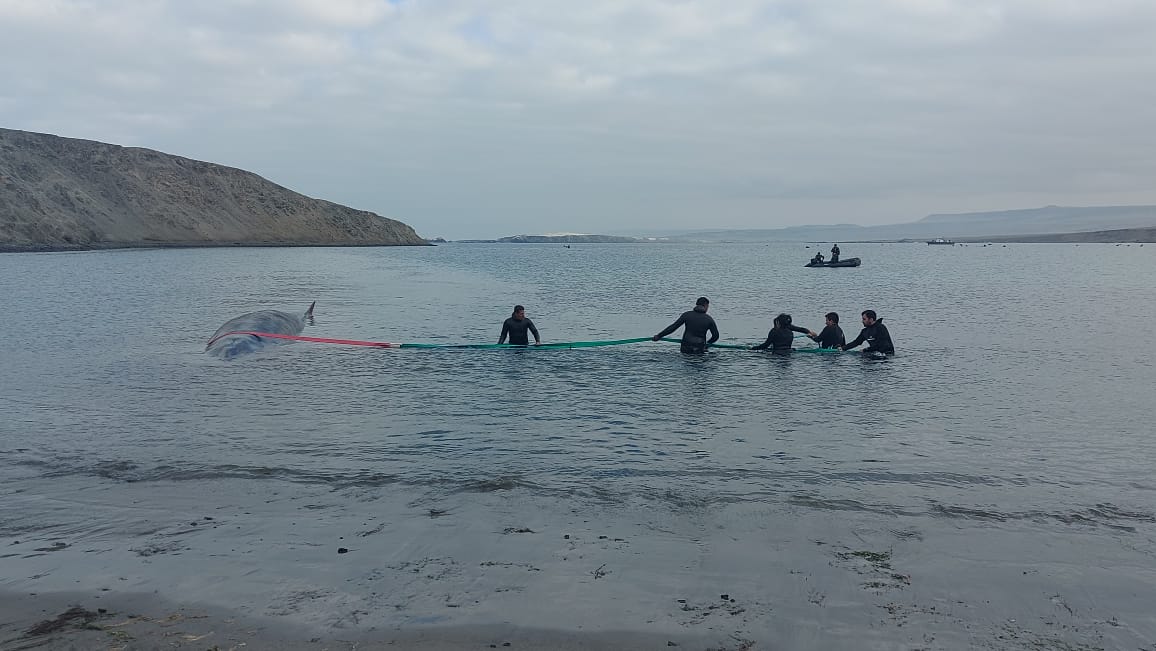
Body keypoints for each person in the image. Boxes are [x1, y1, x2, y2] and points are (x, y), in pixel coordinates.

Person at [653, 297, 719, 354]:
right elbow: (715, 336)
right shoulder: (709, 319)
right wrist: (706, 345)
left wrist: (659, 336)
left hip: (685, 347)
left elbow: (673, 327)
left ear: (696, 305)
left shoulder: (687, 315)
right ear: (706, 305)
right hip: (699, 348)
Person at [750, 313, 816, 353]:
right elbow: (800, 329)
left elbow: (766, 345)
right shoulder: (789, 328)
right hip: (789, 351)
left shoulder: (774, 331)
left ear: (778, 323)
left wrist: (752, 348)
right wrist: (809, 332)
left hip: (777, 353)